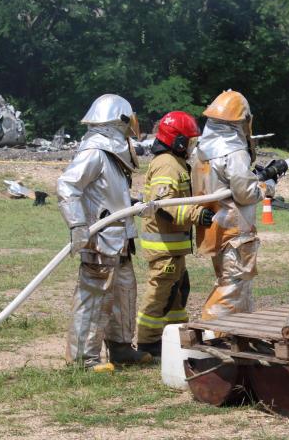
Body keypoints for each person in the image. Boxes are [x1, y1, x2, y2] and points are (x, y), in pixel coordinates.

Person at [57, 94, 152, 370]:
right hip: (99, 241)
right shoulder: (95, 151)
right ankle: (82, 359)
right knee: (94, 298)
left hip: (119, 240)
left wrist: (134, 205)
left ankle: (121, 348)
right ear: (119, 121)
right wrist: (77, 225)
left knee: (123, 293)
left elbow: (107, 195)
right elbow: (67, 186)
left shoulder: (112, 152)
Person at [190, 90, 287, 322]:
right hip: (235, 232)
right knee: (231, 287)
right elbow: (245, 194)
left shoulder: (200, 150)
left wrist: (257, 176)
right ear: (241, 121)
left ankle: (239, 337)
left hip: (215, 229)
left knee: (237, 286)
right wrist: (268, 185)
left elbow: (228, 184)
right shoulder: (233, 152)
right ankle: (209, 335)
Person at [136, 111, 215, 357]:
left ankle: (173, 335)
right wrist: (196, 215)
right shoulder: (167, 164)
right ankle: (148, 342)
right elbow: (164, 205)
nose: (192, 146)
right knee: (160, 292)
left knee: (178, 291)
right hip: (163, 246)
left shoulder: (176, 162)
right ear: (178, 141)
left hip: (173, 246)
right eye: (189, 141)